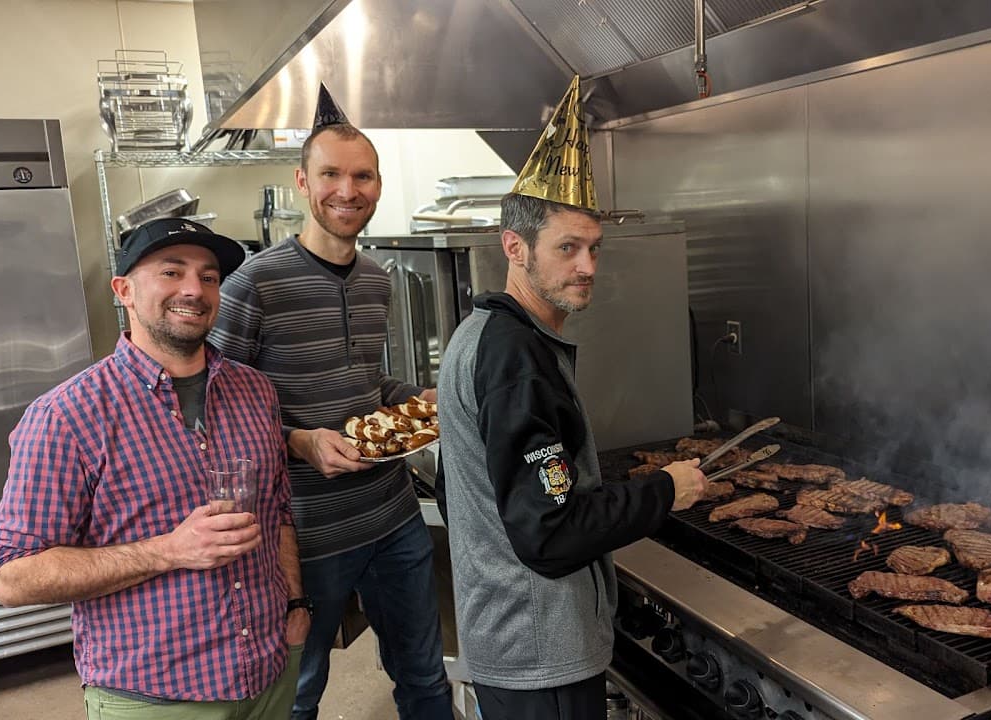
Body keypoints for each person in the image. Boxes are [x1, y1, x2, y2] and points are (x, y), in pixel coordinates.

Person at [0, 217, 308, 720]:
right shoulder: (66, 416)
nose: (193, 290)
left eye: (208, 276)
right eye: (171, 272)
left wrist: (294, 606)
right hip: (154, 696)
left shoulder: (255, 391)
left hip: (269, 672)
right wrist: (169, 550)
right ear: (124, 291)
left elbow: (278, 509)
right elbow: (14, 578)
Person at [208, 87, 453, 720]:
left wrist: (419, 398)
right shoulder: (252, 284)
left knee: (425, 678)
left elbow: (364, 381)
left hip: (394, 517)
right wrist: (299, 440)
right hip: (305, 533)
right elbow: (216, 408)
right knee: (299, 690)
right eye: (331, 174)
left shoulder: (377, 279)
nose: (348, 190)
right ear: (301, 182)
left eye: (362, 175)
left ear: (377, 183)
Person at [434, 188, 707, 719]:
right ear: (514, 247)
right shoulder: (518, 361)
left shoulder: (480, 332)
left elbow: (456, 492)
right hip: (539, 650)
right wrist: (666, 490)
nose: (587, 267)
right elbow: (551, 534)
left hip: (506, 633)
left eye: (595, 248)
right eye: (567, 249)